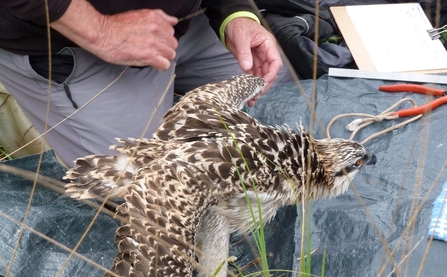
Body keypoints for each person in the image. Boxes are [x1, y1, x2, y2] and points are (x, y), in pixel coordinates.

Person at [0, 0, 292, 166]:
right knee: (147, 184)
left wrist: (235, 13)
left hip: (190, 19)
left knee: (280, 103)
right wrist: (100, 31)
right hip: (77, 41)